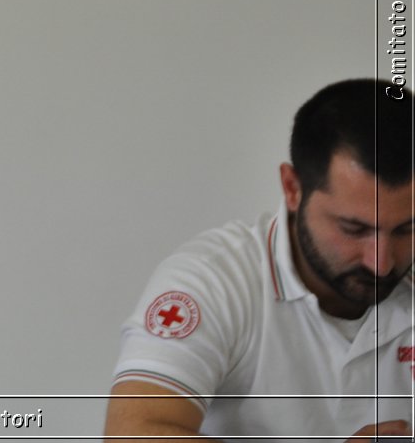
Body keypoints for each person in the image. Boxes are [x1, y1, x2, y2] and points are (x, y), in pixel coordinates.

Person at [106, 79, 414, 443]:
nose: (380, 263)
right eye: (353, 228)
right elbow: (133, 434)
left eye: (406, 229)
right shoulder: (214, 279)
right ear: (292, 189)